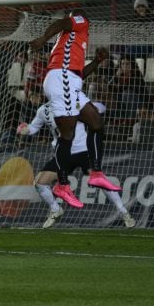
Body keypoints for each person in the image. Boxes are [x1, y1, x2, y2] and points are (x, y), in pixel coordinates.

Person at [29, 11, 121, 209]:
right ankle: (64, 184)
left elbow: (79, 73)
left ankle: (94, 173)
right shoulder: (81, 22)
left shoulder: (74, 45)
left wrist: (96, 62)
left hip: (69, 81)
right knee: (69, 134)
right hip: (62, 79)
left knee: (94, 121)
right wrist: (44, 38)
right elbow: (62, 22)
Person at [17, 101, 136, 228]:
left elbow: (101, 108)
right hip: (63, 154)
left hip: (83, 150)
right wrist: (26, 129)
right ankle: (55, 209)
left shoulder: (75, 102)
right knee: (39, 182)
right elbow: (34, 127)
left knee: (101, 181)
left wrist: (93, 108)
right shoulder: (43, 110)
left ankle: (124, 214)